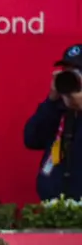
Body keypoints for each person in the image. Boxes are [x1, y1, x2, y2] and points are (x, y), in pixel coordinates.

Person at [23, 43, 82, 201]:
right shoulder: (58, 108)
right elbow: (31, 138)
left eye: (77, 72)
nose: (71, 77)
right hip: (54, 207)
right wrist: (52, 100)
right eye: (66, 71)